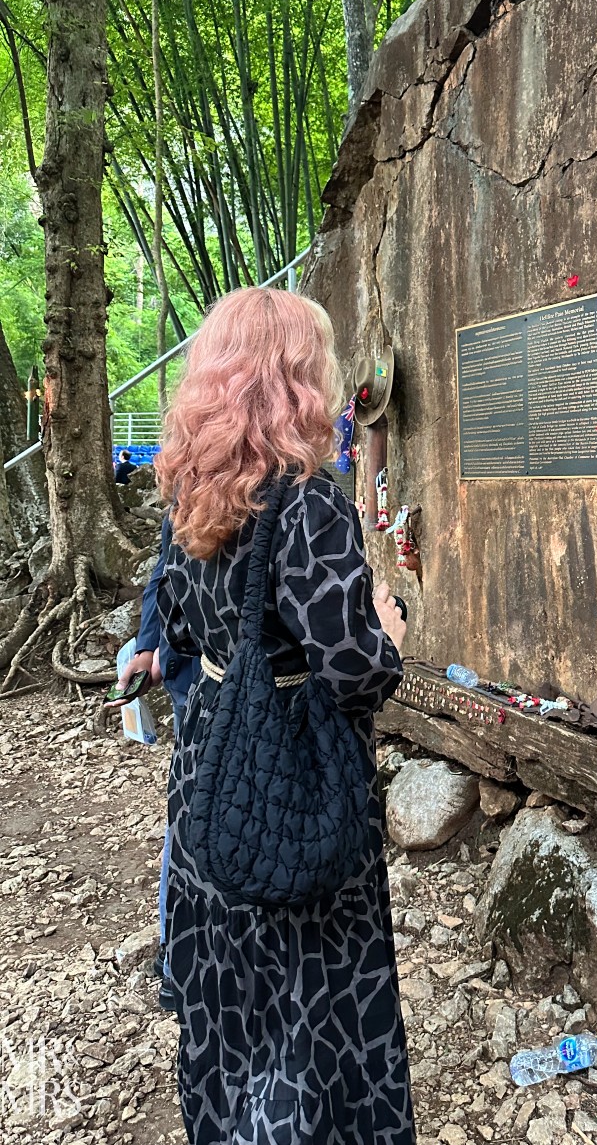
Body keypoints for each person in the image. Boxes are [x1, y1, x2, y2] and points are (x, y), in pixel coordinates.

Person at [154, 287, 414, 1145]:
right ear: (297, 377)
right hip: (291, 783)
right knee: (311, 1016)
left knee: (230, 1009)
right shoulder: (307, 502)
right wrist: (390, 627)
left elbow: (184, 634)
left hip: (210, 774)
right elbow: (353, 665)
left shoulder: (190, 495)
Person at [111, 517, 199, 1012]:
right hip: (203, 683)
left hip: (212, 679)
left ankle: (182, 956)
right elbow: (166, 571)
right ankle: (177, 956)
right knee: (190, 816)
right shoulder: (190, 487)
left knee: (193, 815)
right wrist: (148, 646)